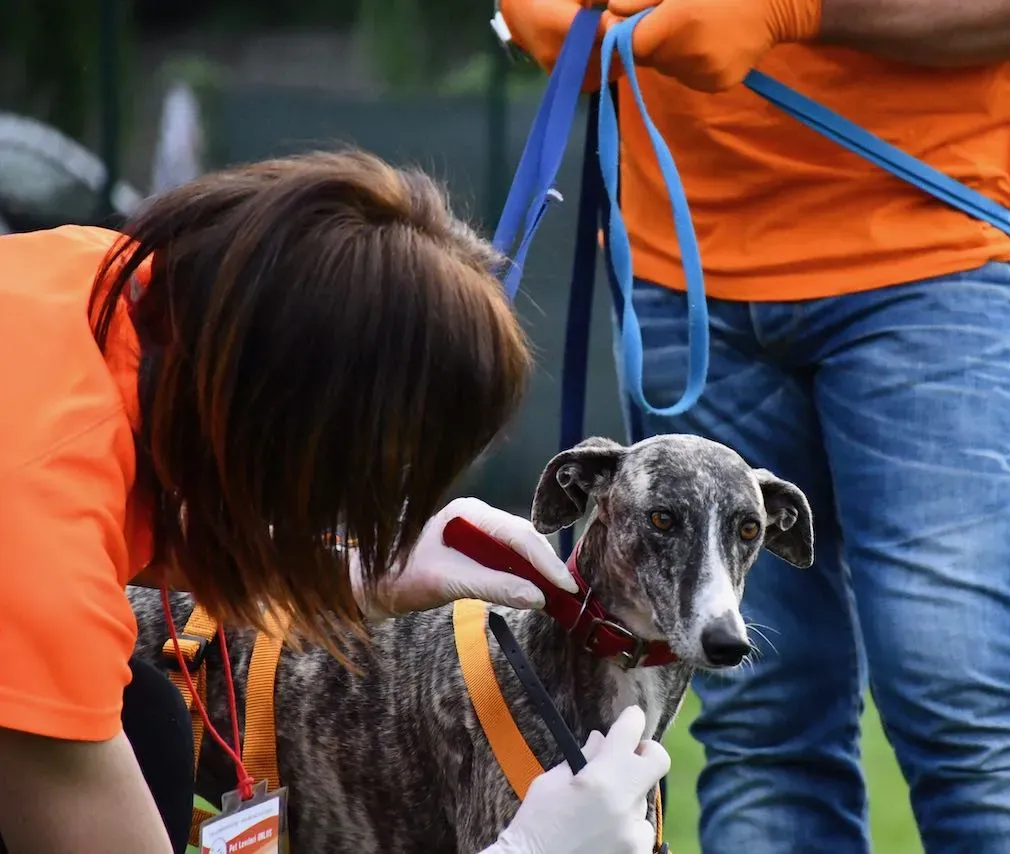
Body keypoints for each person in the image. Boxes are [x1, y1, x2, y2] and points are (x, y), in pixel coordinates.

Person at [499, 0, 1010, 851]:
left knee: (967, 707)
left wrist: (797, 11)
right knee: (760, 723)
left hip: (930, 252)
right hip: (683, 265)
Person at [0, 150, 668, 854]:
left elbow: (131, 498)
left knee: (148, 721)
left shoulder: (103, 282)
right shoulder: (38, 544)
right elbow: (54, 547)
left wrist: (350, 574)